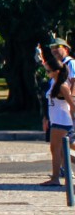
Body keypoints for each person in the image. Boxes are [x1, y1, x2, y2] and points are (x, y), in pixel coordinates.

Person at [43, 39, 75, 188]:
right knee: (58, 150)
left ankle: (57, 178)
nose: (47, 73)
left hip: (62, 122)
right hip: (57, 121)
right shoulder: (55, 84)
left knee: (58, 150)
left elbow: (72, 103)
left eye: (48, 71)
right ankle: (56, 177)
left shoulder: (63, 86)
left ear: (56, 71)